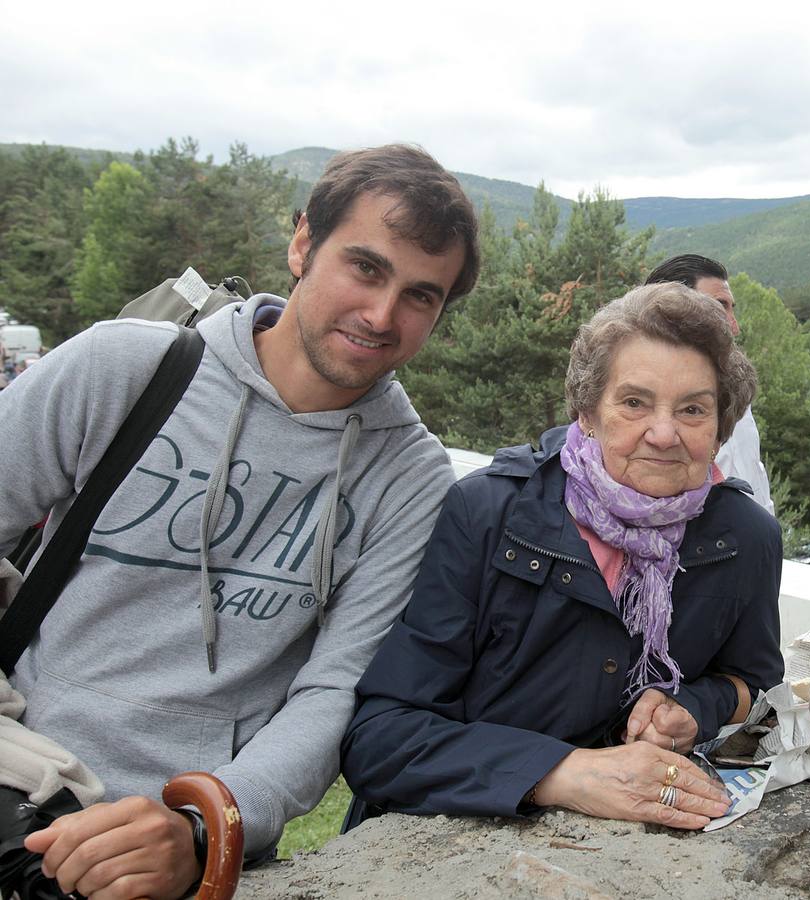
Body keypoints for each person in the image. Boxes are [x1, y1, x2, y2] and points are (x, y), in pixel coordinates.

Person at [0, 144, 480, 899]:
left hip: (179, 840)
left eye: (421, 296)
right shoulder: (123, 369)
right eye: (365, 268)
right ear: (301, 244)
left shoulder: (411, 480)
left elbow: (336, 689)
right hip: (19, 771)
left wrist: (207, 825)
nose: (382, 315)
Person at [342, 282, 784, 829]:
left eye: (693, 409)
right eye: (634, 402)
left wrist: (693, 708)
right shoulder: (488, 514)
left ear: (721, 426)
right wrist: (567, 774)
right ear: (588, 412)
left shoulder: (745, 537)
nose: (664, 434)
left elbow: (754, 686)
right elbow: (381, 738)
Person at [645, 254, 773, 514]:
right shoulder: (637, 412)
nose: (734, 327)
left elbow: (754, 479)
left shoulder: (736, 395)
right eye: (720, 307)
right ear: (671, 311)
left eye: (731, 308)